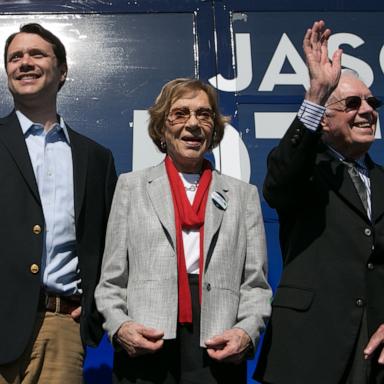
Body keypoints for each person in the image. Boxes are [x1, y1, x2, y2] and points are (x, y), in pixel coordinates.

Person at [95, 78, 271, 384]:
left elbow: (255, 285)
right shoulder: (131, 187)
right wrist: (120, 327)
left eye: (204, 115)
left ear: (214, 129)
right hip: (146, 342)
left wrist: (245, 332)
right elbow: (111, 281)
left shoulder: (243, 195)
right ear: (162, 127)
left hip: (217, 343)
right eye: (180, 114)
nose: (193, 124)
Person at [254, 20, 384, 384]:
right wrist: (317, 94)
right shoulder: (304, 169)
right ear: (324, 121)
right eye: (353, 103)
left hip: (376, 351)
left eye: (372, 102)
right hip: (309, 348)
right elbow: (278, 183)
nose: (367, 110)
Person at [0, 23, 117, 383]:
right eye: (15, 57)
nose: (24, 63)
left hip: (61, 329)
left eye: (36, 54)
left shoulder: (96, 158)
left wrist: (94, 312)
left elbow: (111, 242)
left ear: (62, 71)